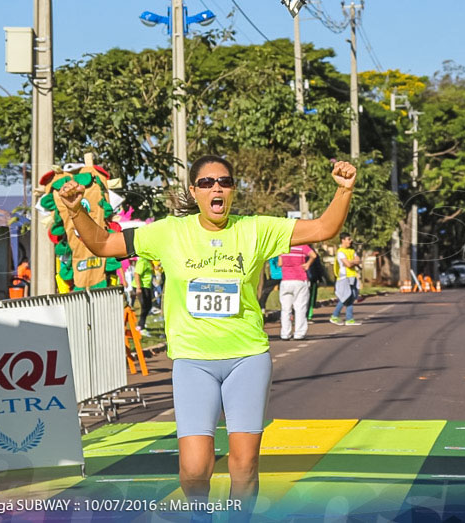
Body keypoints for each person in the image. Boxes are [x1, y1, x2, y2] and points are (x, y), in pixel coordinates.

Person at [54, 155, 357, 514]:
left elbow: (323, 228)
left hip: (246, 358)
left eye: (225, 182)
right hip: (193, 362)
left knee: (244, 467)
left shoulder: (255, 229)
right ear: (194, 192)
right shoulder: (168, 232)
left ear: (232, 191)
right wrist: (76, 212)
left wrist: (343, 189)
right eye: (208, 182)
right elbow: (103, 244)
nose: (217, 187)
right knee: (195, 470)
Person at [278, 242, 317, 340]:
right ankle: (299, 333)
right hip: (300, 279)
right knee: (300, 308)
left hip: (286, 281)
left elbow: (280, 263)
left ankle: (285, 334)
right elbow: (313, 255)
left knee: (285, 309)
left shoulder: (283, 246)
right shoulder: (302, 246)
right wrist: (307, 264)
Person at [331, 233, 362, 326]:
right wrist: (352, 262)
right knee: (345, 296)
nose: (350, 241)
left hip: (352, 276)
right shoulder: (340, 252)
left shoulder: (352, 251)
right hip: (344, 277)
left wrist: (351, 261)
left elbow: (357, 260)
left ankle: (349, 319)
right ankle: (334, 316)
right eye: (348, 239)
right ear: (343, 240)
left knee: (352, 296)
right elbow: (347, 264)